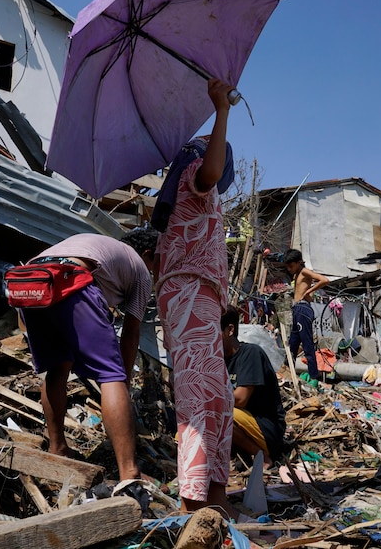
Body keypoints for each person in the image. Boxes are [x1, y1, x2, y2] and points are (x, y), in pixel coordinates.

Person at [154, 78, 239, 520]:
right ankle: (194, 501)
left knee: (218, 397)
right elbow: (210, 169)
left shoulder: (188, 202)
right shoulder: (193, 175)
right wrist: (221, 109)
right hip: (189, 297)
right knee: (199, 397)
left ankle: (217, 497)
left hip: (198, 298)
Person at [18, 229, 158, 482]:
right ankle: (129, 472)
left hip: (31, 283)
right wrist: (121, 382)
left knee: (58, 367)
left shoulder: (97, 244)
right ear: (147, 254)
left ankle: (57, 447)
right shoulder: (139, 268)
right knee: (110, 375)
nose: (156, 269)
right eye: (157, 262)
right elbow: (131, 333)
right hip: (70, 279)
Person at [221, 306, 286, 470]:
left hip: (266, 429)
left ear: (229, 330)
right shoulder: (218, 360)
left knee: (218, 412)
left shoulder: (250, 353)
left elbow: (241, 399)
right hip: (244, 426)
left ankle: (261, 456)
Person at [284, 248, 329, 381]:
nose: (289, 269)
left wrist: (309, 291)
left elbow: (324, 280)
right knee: (292, 344)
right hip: (297, 309)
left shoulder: (304, 271)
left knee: (307, 344)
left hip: (303, 309)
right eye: (287, 267)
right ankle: (287, 371)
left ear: (298, 263)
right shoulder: (297, 275)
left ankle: (314, 376)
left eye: (291, 266)